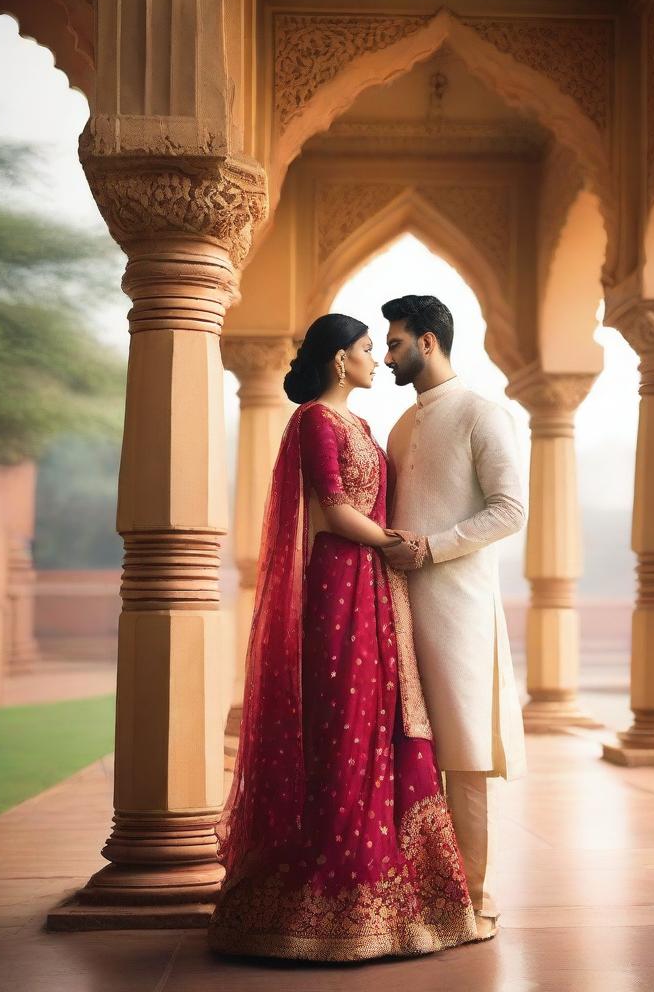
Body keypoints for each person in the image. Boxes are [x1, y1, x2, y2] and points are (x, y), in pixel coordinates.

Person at [208, 313, 478, 962]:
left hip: (380, 589)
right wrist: (399, 543)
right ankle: (327, 903)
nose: (375, 360)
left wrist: (402, 550)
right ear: (338, 360)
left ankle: (397, 903)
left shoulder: (362, 426)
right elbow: (332, 509)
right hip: (339, 587)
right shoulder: (313, 423)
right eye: (366, 349)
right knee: (341, 730)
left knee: (384, 724)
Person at [381, 294, 527, 942]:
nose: (387, 355)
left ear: (429, 343)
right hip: (400, 606)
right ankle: (426, 885)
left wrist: (433, 547)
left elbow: (510, 510)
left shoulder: (482, 415)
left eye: (395, 343)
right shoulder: (401, 428)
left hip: (459, 609)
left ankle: (476, 892)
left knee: (464, 755)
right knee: (415, 749)